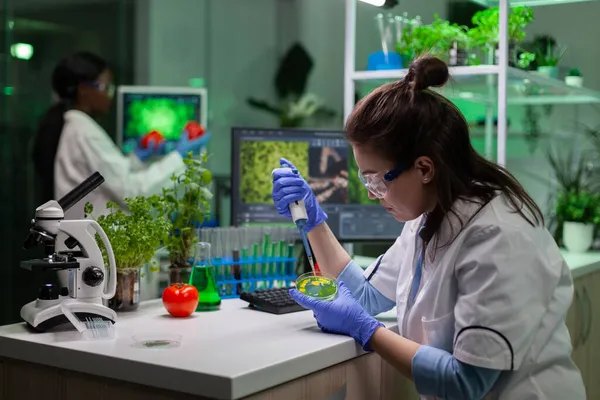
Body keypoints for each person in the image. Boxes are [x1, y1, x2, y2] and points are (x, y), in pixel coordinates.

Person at [272, 56, 585, 399]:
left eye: (376, 182)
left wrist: (366, 331)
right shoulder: (429, 215)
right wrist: (314, 220)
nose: (375, 196)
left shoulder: (498, 237)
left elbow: (466, 382)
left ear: (424, 169)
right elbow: (366, 296)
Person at [32, 51, 210, 219]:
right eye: (106, 87)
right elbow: (132, 192)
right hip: (91, 244)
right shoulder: (84, 132)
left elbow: (109, 178)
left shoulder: (77, 128)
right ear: (84, 89)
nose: (109, 94)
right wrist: (178, 157)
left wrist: (136, 159)